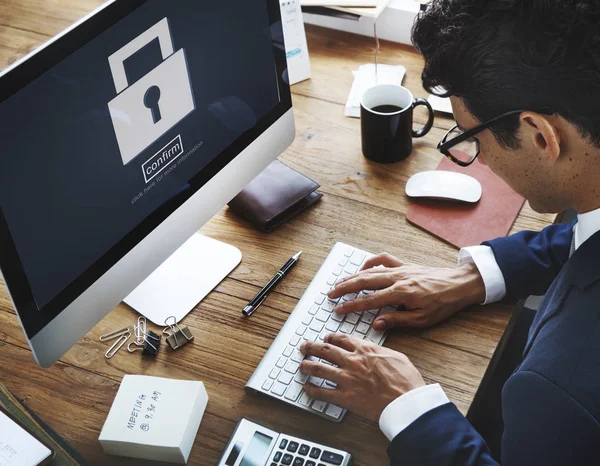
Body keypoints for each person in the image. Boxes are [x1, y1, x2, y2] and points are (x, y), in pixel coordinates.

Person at [298, 1, 600, 464]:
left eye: (471, 138)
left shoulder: (557, 392)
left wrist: (409, 407)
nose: (478, 160)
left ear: (541, 136)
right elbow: (585, 241)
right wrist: (474, 276)